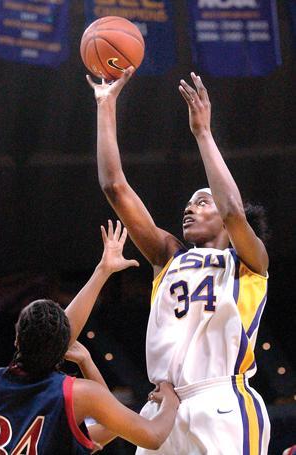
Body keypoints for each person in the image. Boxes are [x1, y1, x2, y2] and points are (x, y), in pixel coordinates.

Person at [87, 68, 271, 454]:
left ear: (220, 214)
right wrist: (106, 106)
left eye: (202, 202)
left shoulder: (249, 263)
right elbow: (114, 187)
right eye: (189, 203)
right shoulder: (167, 255)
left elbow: (234, 210)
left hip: (221, 401)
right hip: (161, 407)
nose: (189, 208)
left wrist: (203, 133)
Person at [0, 221, 180, 454]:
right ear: (64, 346)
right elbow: (148, 435)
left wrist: (102, 271)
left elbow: (105, 429)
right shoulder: (77, 394)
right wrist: (171, 401)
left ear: (17, 341)